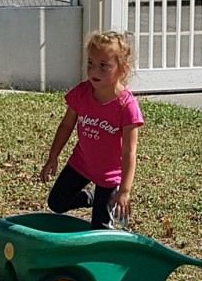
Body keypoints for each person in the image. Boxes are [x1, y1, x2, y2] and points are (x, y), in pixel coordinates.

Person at [40, 31, 144, 229]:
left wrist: (125, 190)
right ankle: (92, 198)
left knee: (100, 229)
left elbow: (129, 152)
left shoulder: (127, 106)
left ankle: (105, 201)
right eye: (90, 63)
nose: (94, 70)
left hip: (109, 175)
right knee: (56, 203)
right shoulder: (82, 92)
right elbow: (66, 125)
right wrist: (53, 156)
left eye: (103, 65)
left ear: (122, 68)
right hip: (81, 163)